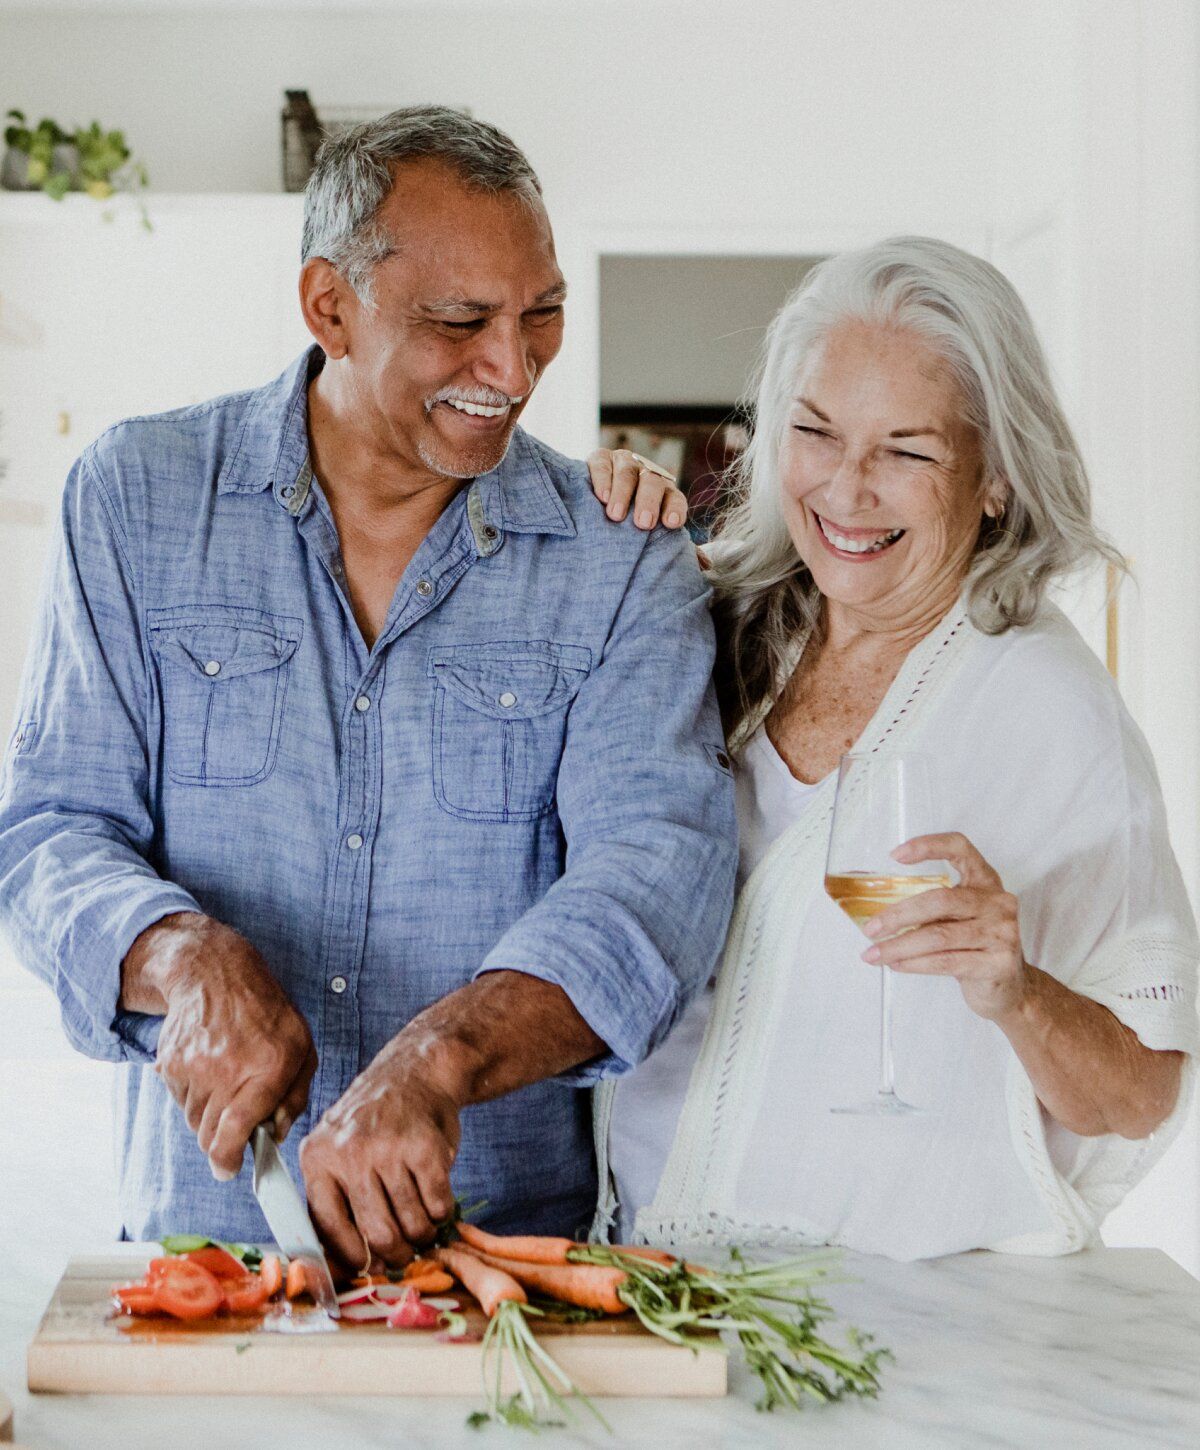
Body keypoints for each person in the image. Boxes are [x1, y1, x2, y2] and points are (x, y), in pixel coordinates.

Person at [0, 107, 737, 1265]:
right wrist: (178, 953)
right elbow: (49, 831)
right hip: (207, 1257)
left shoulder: (621, 557)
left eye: (541, 313)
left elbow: (655, 881)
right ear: (328, 306)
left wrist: (438, 1058)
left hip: (504, 1270)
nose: (514, 367)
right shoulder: (135, 500)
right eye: (460, 322)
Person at [585, 236, 1199, 1260]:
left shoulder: (1047, 710)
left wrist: (1018, 989)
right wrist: (596, 516)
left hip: (890, 1324)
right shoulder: (715, 625)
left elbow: (1138, 1093)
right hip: (646, 1276)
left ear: (994, 476)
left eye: (906, 452)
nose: (846, 488)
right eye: (816, 433)